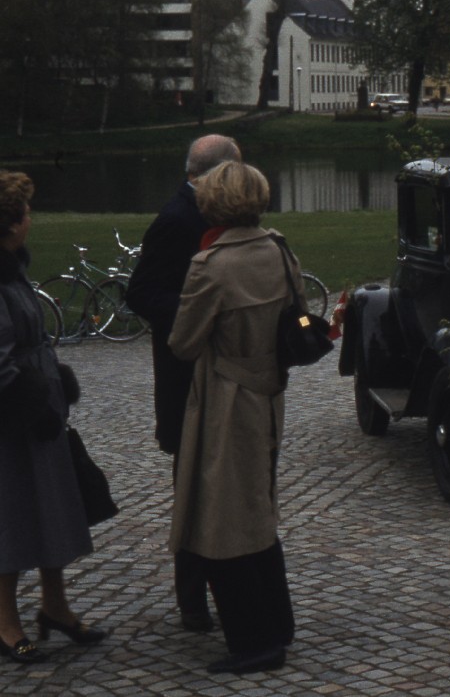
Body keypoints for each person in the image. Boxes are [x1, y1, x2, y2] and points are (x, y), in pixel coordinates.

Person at [168, 162, 297, 675]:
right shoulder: (278, 248)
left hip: (226, 398)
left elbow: (183, 342)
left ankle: (256, 641)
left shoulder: (212, 265)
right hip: (269, 392)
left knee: (224, 521)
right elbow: (297, 313)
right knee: (257, 508)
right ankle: (278, 622)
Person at [125, 134, 240, 633]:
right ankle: (193, 600)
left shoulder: (215, 213)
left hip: (223, 379)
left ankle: (226, 589)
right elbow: (143, 292)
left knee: (222, 491)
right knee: (192, 492)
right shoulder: (176, 221)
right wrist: (200, 315)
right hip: (186, 379)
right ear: (216, 173)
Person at [0, 170, 106, 665]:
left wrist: (54, 381)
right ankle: (5, 623)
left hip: (37, 404)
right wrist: (32, 401)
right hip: (12, 418)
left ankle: (55, 607)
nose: (31, 219)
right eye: (25, 213)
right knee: (13, 516)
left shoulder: (14, 267)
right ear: (13, 223)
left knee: (51, 508)